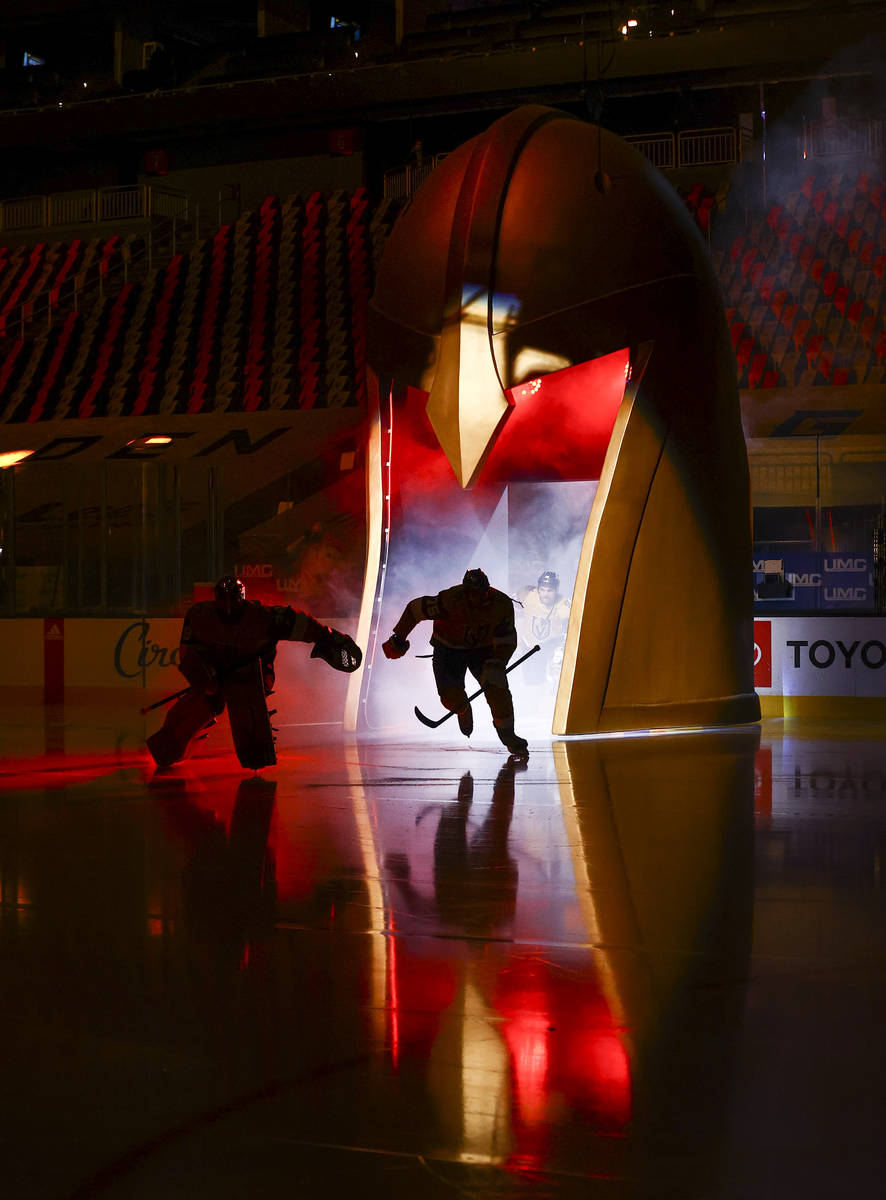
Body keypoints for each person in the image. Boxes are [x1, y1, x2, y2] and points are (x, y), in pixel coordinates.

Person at [147, 575, 361, 769]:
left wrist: (326, 635)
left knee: (243, 685)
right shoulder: (200, 616)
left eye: (234, 600)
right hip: (215, 675)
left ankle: (256, 749)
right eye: (224, 600)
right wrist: (205, 681)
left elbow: (299, 622)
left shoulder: (265, 617)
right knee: (196, 709)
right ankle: (174, 745)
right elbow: (187, 654)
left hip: (255, 675)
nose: (230, 607)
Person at [382, 567, 529, 758]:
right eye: (469, 594)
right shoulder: (449, 599)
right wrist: (399, 637)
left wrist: (498, 663)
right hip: (448, 650)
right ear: (463, 590)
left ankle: (509, 737)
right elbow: (415, 609)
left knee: (498, 691)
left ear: (487, 590)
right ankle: (462, 708)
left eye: (478, 594)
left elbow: (507, 639)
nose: (474, 599)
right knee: (450, 697)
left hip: (483, 651)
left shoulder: (501, 604)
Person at [515, 569, 570, 689]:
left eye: (550, 591)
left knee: (552, 686)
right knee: (531, 686)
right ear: (538, 589)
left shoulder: (563, 604)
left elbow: (572, 624)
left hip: (550, 650)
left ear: (556, 591)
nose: (545, 594)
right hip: (529, 648)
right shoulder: (528, 595)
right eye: (543, 590)